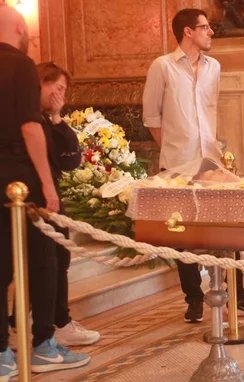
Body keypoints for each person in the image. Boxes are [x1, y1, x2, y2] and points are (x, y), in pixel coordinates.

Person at [143, 9, 244, 323]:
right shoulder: (163, 66)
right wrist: (174, 152)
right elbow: (151, 118)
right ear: (188, 31)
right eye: (205, 27)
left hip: (210, 161)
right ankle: (194, 299)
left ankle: (237, 296)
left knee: (230, 229)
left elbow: (209, 111)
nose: (211, 32)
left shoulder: (214, 67)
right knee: (181, 234)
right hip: (176, 163)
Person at [0, 5, 90, 378]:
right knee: (44, 261)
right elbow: (29, 128)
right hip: (23, 179)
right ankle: (42, 346)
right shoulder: (20, 64)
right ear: (20, 28)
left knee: (1, 265)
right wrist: (48, 185)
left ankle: (2, 354)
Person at [37, 62, 101, 345]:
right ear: (43, 82)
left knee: (58, 259)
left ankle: (56, 319)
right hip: (35, 200)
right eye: (58, 88)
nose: (60, 95)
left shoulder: (45, 119)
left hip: (50, 197)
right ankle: (54, 323)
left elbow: (71, 159)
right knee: (46, 262)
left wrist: (57, 117)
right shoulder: (26, 118)